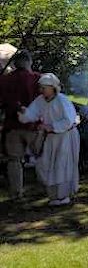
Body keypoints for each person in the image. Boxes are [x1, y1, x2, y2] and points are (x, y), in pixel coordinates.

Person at [17, 73, 80, 206]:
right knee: (45, 164)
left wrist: (51, 126)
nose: (41, 90)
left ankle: (63, 196)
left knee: (62, 165)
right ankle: (53, 195)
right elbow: (31, 114)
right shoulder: (40, 100)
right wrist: (24, 113)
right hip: (51, 138)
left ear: (53, 87)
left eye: (44, 87)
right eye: (41, 87)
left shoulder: (62, 100)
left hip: (65, 137)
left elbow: (69, 120)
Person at [0, 50, 41, 200]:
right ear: (29, 62)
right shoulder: (37, 78)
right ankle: (47, 184)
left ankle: (16, 192)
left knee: (14, 160)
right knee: (43, 156)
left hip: (12, 126)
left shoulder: (4, 80)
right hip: (34, 126)